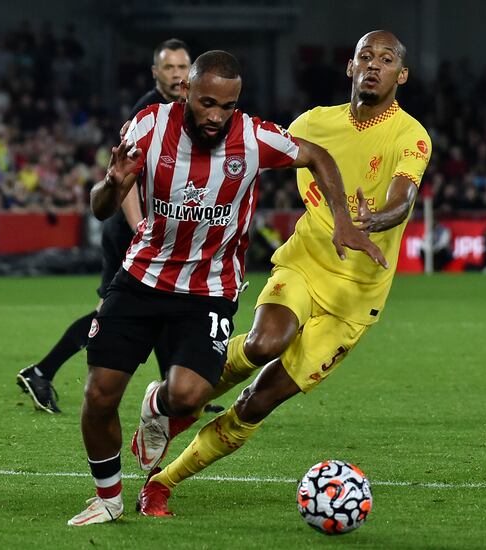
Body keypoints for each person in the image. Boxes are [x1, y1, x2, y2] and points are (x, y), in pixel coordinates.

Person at [67, 49, 384, 526]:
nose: (215, 116)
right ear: (186, 94)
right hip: (142, 279)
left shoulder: (254, 138)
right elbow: (99, 207)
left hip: (209, 289)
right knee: (99, 395)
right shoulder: (149, 127)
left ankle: (158, 404)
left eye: (226, 107)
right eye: (206, 104)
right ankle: (108, 497)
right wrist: (113, 184)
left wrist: (342, 216)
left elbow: (317, 155)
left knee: (188, 396)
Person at [134, 30, 431, 518]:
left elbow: (403, 197)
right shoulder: (313, 124)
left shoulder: (410, 135)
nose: (374, 65)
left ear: (402, 75)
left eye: (386, 59)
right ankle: (179, 403)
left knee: (257, 402)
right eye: (365, 56)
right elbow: (247, 156)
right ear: (350, 68)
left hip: (357, 297)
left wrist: (371, 221)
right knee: (264, 342)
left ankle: (162, 482)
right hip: (306, 260)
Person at [16, 39, 192, 413]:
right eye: (170, 67)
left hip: (147, 228)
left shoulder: (181, 108)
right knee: (116, 312)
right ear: (155, 73)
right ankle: (42, 371)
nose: (177, 73)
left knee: (156, 304)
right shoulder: (149, 110)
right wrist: (140, 227)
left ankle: (174, 391)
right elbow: (124, 178)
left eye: (182, 66)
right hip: (131, 230)